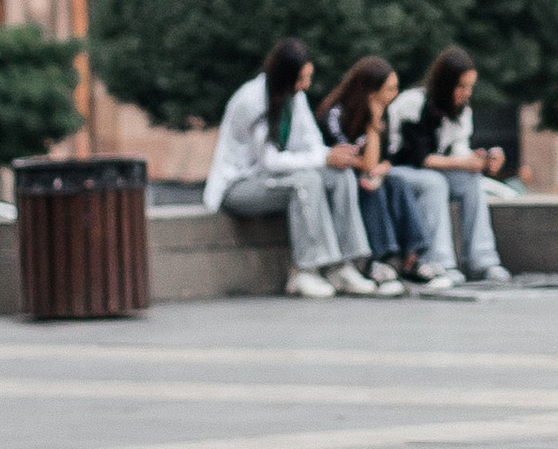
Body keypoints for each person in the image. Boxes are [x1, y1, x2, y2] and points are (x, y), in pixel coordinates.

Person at [203, 39, 397, 301]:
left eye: (308, 77)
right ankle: (305, 270)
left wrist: (329, 157)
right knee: (305, 181)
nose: (306, 85)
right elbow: (268, 162)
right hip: (238, 186)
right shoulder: (251, 100)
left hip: (273, 179)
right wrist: (323, 158)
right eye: (302, 78)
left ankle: (343, 266)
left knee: (339, 175)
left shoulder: (296, 98)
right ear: (284, 76)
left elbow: (313, 144)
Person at [319, 57, 460, 290]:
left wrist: (381, 168)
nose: (394, 95)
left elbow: (381, 161)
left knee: (396, 182)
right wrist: (373, 126)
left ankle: (412, 258)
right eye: (389, 89)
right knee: (369, 185)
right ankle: (377, 260)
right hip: (339, 179)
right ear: (371, 92)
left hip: (365, 175)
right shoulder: (335, 114)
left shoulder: (381, 111)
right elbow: (362, 163)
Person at [389, 47, 515, 291]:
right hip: (398, 171)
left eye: (470, 87)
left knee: (471, 181)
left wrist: (483, 159)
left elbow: (459, 152)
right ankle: (440, 262)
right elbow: (418, 157)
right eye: (461, 87)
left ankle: (482, 260)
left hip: (431, 170)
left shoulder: (461, 112)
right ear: (445, 84)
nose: (466, 94)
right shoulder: (413, 103)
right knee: (433, 183)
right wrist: (463, 162)